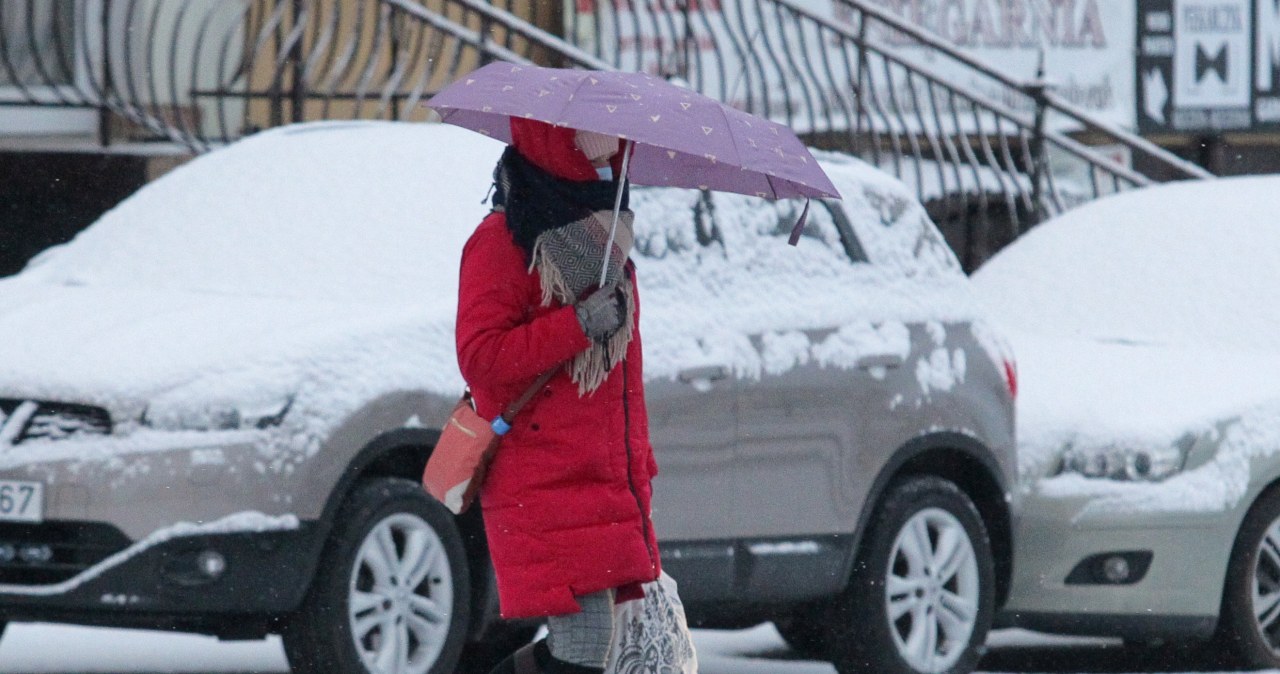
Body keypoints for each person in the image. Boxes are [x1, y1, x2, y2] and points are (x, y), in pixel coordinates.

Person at [455, 118, 661, 674]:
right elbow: (482, 360)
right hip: (538, 478)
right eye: (592, 153)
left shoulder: (608, 246)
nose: (607, 165)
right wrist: (575, 325)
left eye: (612, 159)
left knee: (590, 648)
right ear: (556, 154)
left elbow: (621, 384)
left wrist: (639, 465)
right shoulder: (502, 241)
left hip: (600, 480)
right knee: (582, 645)